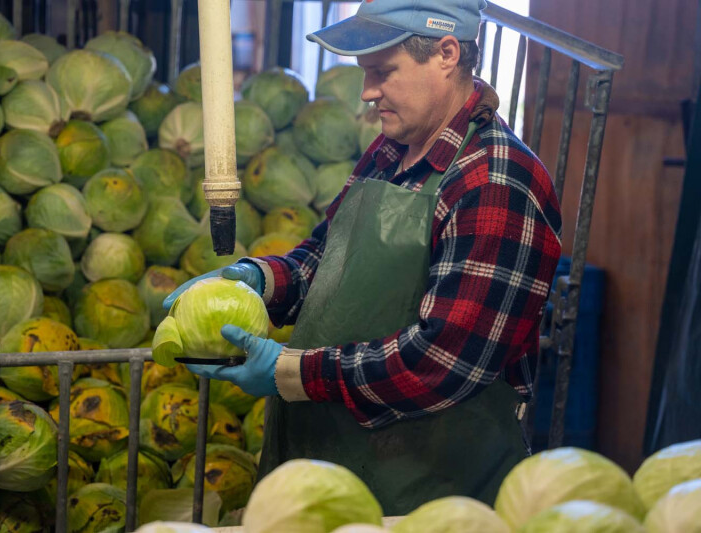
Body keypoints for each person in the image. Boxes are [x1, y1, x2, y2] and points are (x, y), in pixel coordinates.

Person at [164, 0, 562, 515]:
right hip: (339, 470)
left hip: (430, 496)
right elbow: (322, 260)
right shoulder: (391, 151)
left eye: (383, 72)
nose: (368, 93)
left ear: (445, 53)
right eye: (364, 74)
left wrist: (296, 374)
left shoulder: (495, 180)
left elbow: (443, 361)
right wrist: (255, 281)